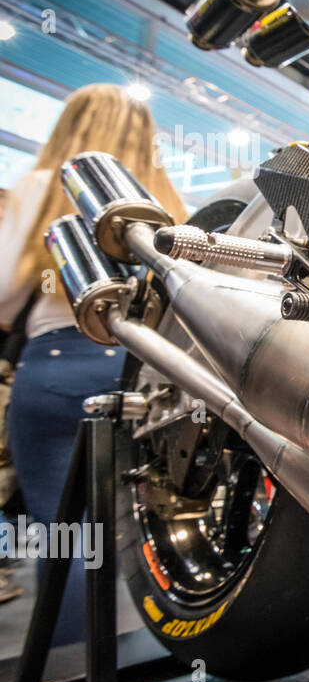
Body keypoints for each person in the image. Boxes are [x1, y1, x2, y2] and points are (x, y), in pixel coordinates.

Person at [0, 84, 186, 645]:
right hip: (144, 376)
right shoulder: (167, 204)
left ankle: (71, 679)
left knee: (67, 535)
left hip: (57, 367)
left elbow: (5, 293)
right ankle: (134, 665)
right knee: (133, 530)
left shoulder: (39, 187)